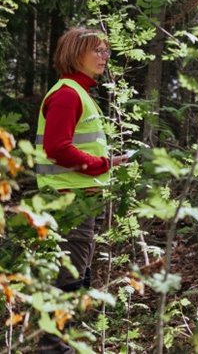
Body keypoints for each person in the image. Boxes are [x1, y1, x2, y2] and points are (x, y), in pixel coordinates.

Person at [35, 27, 129, 352]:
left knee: (78, 277)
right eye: (97, 50)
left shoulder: (81, 93)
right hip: (68, 202)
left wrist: (109, 163)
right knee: (69, 280)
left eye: (106, 50)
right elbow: (57, 149)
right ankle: (53, 347)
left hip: (82, 201)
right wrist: (104, 165)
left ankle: (64, 343)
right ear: (75, 53)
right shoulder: (66, 94)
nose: (104, 57)